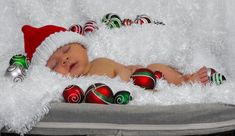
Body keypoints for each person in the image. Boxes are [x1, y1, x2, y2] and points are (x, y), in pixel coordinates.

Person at [22, 25, 209, 86]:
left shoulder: (98, 62)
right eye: (54, 65)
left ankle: (184, 80)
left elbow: (121, 71)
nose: (64, 59)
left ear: (83, 47)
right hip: (126, 100)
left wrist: (131, 70)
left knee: (155, 68)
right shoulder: (73, 87)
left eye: (66, 50)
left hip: (138, 82)